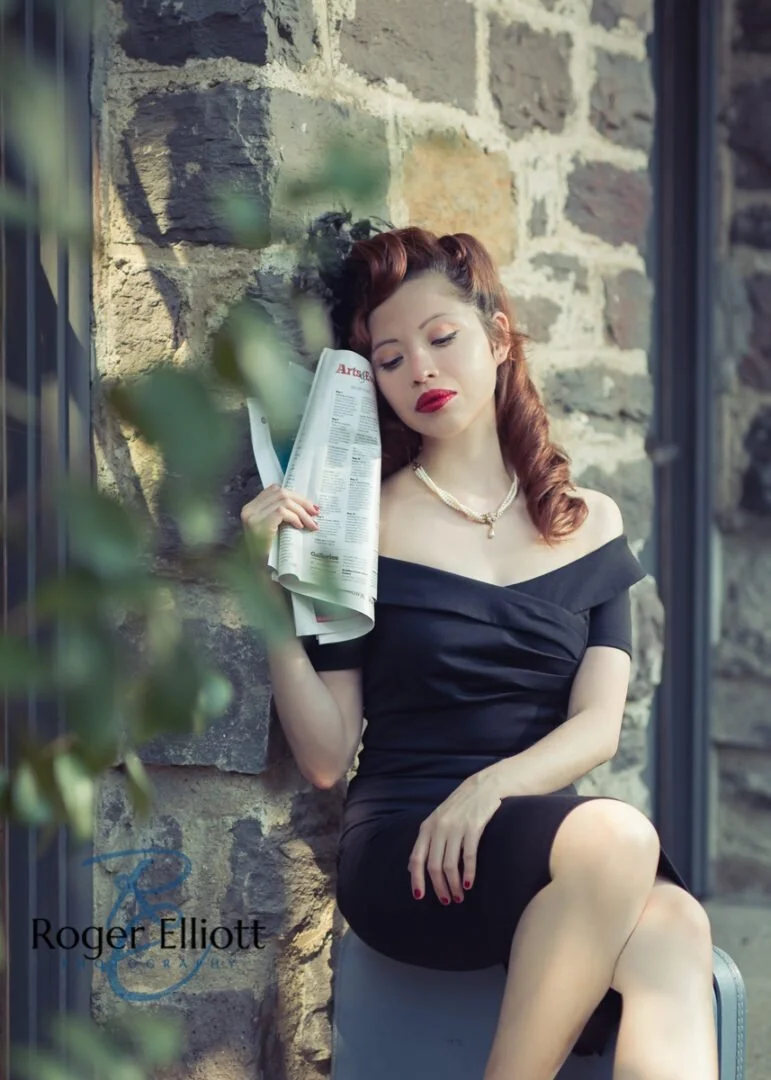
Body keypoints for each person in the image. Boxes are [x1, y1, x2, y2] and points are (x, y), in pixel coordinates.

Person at [240, 226, 719, 1079]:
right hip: (411, 848)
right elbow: (324, 757)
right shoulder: (360, 525)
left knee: (675, 925)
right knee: (619, 838)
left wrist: (488, 789)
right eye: (390, 358)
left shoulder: (588, 523)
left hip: (547, 846)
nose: (419, 370)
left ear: (497, 339)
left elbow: (597, 727)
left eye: (441, 338)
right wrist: (265, 595)